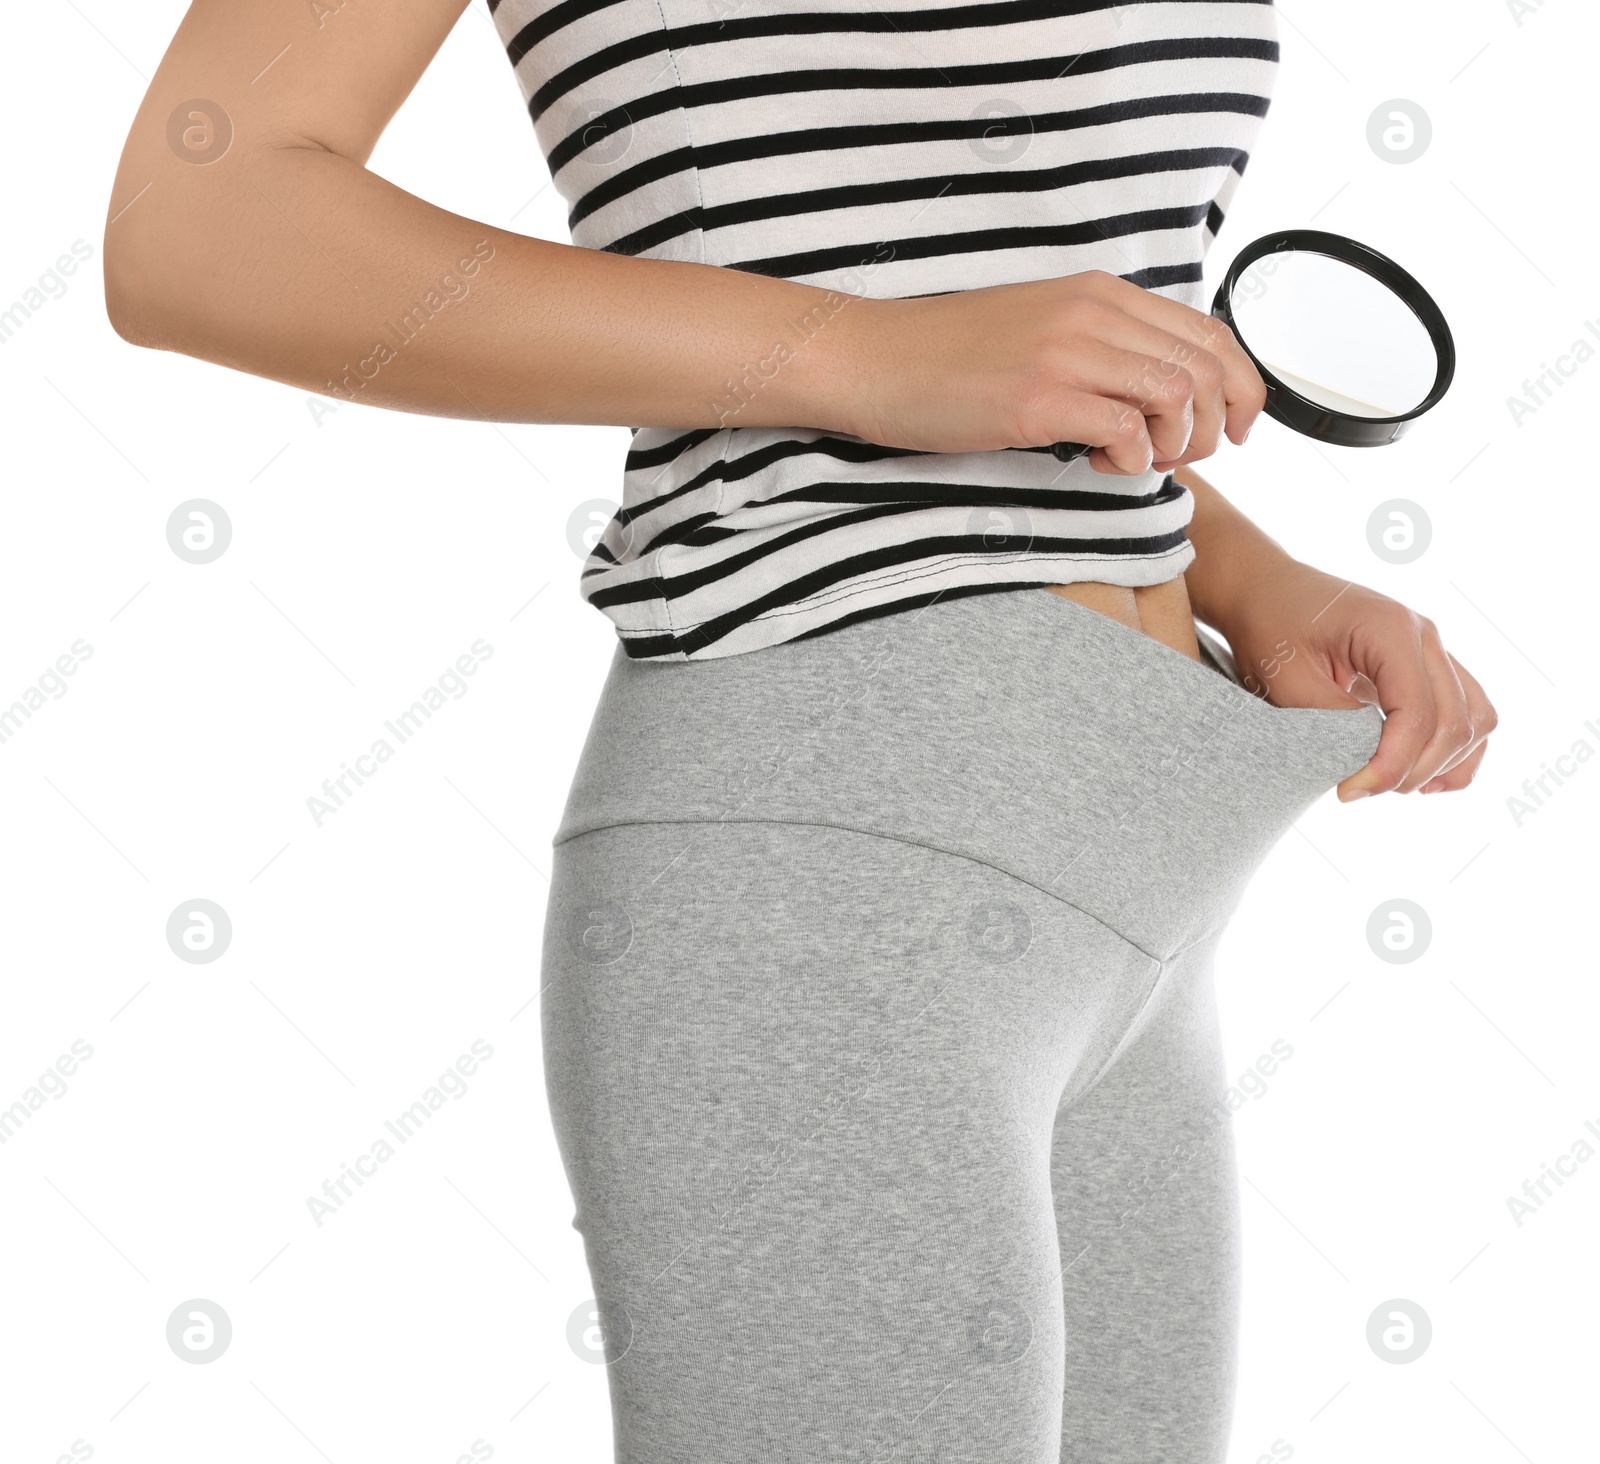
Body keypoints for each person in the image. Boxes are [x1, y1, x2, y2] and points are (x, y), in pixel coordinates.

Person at [104, 1, 1495, 1459]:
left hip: (1144, 930)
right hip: (829, 879)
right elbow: (197, 217)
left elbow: (965, 298)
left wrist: (1250, 578)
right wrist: (861, 355)